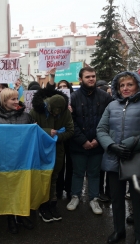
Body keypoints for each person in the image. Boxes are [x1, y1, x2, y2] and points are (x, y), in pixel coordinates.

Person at [97, 71, 140, 244]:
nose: (125, 88)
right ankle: (119, 231)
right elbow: (101, 129)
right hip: (113, 159)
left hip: (137, 160)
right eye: (122, 85)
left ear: (138, 85)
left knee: (138, 200)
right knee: (117, 199)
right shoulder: (112, 105)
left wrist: (128, 145)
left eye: (129, 84)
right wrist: (112, 146)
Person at [65, 67, 112, 214]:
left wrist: (98, 140)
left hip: (98, 143)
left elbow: (110, 120)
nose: (91, 79)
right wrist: (83, 141)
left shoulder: (105, 97)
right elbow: (70, 121)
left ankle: (94, 199)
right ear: (80, 79)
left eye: (93, 76)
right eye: (87, 77)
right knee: (77, 172)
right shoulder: (72, 97)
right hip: (78, 144)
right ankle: (75, 196)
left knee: (94, 173)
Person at [0, 88, 34, 233]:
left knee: (21, 188)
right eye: (13, 99)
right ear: (4, 101)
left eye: (17, 98)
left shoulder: (27, 117)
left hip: (22, 160)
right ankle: (10, 217)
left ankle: (21, 215)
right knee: (8, 189)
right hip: (6, 161)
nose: (17, 101)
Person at [29, 87, 74, 222]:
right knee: (42, 177)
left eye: (58, 113)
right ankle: (43, 205)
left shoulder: (66, 112)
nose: (56, 115)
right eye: (53, 112)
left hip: (57, 150)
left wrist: (57, 137)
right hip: (40, 150)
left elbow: (71, 130)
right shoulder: (35, 111)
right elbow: (30, 130)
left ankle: (52, 204)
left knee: (54, 177)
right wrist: (48, 132)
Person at [44, 68, 74, 200]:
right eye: (60, 86)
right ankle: (54, 194)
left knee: (66, 167)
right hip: (51, 144)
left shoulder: (68, 109)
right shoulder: (43, 109)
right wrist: (51, 76)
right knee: (53, 171)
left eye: (64, 86)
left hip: (66, 142)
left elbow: (71, 129)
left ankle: (66, 191)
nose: (62, 88)